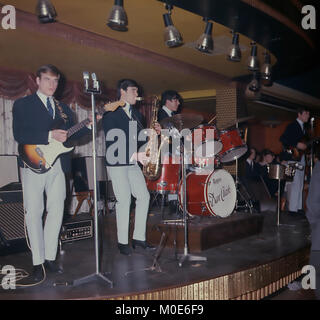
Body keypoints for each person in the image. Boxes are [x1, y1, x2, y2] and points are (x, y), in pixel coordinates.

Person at [12, 64, 92, 281]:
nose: (52, 85)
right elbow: (20, 133)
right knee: (34, 212)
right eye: (47, 79)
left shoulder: (64, 109)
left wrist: (91, 124)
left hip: (59, 164)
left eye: (55, 81)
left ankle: (49, 256)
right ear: (37, 80)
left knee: (56, 210)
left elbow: (72, 135)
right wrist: (49, 135)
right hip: (33, 162)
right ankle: (37, 261)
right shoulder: (23, 104)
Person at [102, 79, 160, 256]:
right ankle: (122, 242)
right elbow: (112, 141)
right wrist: (135, 155)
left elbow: (141, 140)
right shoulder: (110, 113)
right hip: (117, 162)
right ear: (122, 92)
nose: (137, 94)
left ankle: (139, 238)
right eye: (134, 90)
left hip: (133, 162)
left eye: (136, 91)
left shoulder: (136, 114)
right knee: (124, 200)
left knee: (143, 196)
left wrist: (154, 133)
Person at [280, 108, 310, 215]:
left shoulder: (304, 128)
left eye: (308, 114)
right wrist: (297, 144)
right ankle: (292, 210)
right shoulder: (292, 125)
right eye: (306, 113)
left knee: (300, 184)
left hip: (299, 158)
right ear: (299, 114)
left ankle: (298, 208)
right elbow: (283, 139)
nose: (308, 116)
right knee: (292, 184)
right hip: (290, 159)